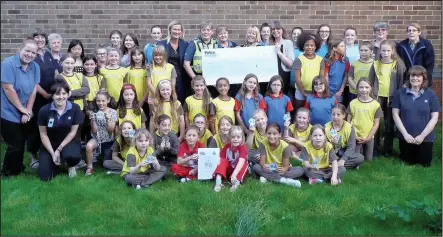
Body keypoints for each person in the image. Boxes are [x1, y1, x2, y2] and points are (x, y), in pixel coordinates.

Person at [1, 39, 40, 177]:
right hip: (8, 112)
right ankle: (7, 172)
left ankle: (18, 167)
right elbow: (8, 88)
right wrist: (21, 109)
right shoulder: (8, 64)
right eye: (27, 51)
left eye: (33, 52)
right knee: (14, 143)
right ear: (20, 49)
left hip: (24, 111)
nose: (29, 54)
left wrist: (28, 110)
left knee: (22, 141)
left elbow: (34, 90)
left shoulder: (35, 67)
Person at [392, 65, 440, 167]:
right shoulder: (400, 93)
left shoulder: (431, 95)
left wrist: (422, 136)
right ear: (409, 77)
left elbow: (435, 118)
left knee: (425, 164)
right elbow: (395, 114)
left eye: (418, 76)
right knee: (407, 162)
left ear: (423, 78)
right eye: (412, 76)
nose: (415, 78)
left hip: (425, 138)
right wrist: (405, 134)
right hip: (406, 137)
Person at [27, 28, 62, 169]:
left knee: (49, 125)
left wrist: (56, 92)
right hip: (36, 98)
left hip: (50, 97)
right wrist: (45, 94)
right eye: (37, 37)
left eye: (42, 37)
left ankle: (47, 152)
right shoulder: (30, 56)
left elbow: (55, 73)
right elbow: (32, 81)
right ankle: (32, 156)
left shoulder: (47, 54)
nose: (40, 40)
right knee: (35, 126)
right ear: (32, 40)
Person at [37, 79, 84, 181]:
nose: (61, 97)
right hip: (50, 143)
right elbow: (43, 135)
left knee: (73, 157)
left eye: (64, 93)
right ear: (52, 95)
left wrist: (59, 149)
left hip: (69, 142)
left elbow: (73, 132)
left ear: (68, 94)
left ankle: (70, 165)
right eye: (57, 94)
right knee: (46, 177)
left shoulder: (75, 108)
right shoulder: (44, 110)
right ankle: (55, 161)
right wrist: (53, 153)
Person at [368, 40, 406, 157]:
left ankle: (387, 149)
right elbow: (370, 81)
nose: (385, 53)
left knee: (389, 124)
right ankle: (375, 148)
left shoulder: (398, 64)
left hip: (392, 97)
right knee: (376, 123)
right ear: (380, 51)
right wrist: (371, 96)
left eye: (388, 50)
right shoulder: (375, 64)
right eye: (383, 50)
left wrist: (399, 97)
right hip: (377, 97)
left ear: (392, 51)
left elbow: (401, 81)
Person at [252, 123, 303, 187]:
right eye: (269, 133)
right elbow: (262, 162)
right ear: (266, 134)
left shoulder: (285, 147)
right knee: (256, 167)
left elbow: (286, 166)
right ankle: (283, 180)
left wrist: (284, 169)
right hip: (268, 169)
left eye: (274, 134)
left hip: (279, 169)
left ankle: (267, 178)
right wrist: (264, 165)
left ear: (279, 135)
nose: (271, 136)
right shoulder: (263, 144)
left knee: (300, 170)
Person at [347, 78, 383, 161]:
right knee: (356, 160)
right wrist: (354, 136)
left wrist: (369, 137)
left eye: (367, 87)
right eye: (361, 87)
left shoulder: (375, 104)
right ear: (357, 89)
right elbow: (348, 121)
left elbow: (376, 123)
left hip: (369, 136)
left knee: (368, 160)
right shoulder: (352, 103)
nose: (364, 90)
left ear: (371, 88)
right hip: (355, 136)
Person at [84, 90, 118, 175]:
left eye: (103, 101)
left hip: (108, 139)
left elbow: (110, 131)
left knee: (105, 163)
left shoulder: (113, 112)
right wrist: (93, 120)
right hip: (97, 137)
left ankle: (99, 156)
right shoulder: (94, 111)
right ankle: (90, 167)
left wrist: (108, 119)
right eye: (98, 101)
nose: (101, 103)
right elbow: (94, 131)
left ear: (108, 100)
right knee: (89, 145)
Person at [158, 20, 190, 103]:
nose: (177, 32)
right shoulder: (161, 44)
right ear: (170, 30)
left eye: (179, 30)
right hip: (166, 77)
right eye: (174, 29)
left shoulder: (185, 44)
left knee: (180, 102)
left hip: (181, 79)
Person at [325, 104, 364, 169]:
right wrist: (331, 142)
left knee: (360, 158)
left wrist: (343, 160)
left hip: (343, 153)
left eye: (338, 114)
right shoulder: (326, 127)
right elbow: (323, 146)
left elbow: (351, 146)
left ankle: (334, 164)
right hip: (331, 153)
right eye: (333, 114)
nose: (335, 117)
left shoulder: (350, 128)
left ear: (344, 115)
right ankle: (335, 164)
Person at [396, 22, 435, 88]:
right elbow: (400, 65)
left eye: (414, 30)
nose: (411, 32)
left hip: (423, 78)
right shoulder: (402, 45)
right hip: (408, 80)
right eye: (409, 31)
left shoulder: (426, 45)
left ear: (419, 32)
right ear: (407, 33)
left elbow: (430, 65)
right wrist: (405, 81)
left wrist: (425, 80)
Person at [292, 33, 324, 112]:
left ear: (315, 47)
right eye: (307, 45)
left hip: (315, 90)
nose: (309, 47)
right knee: (299, 110)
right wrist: (303, 93)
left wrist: (317, 90)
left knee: (313, 110)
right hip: (301, 91)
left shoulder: (320, 59)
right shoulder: (299, 59)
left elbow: (321, 78)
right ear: (303, 46)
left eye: (312, 45)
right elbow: (297, 78)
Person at [213, 126, 249, 192]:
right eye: (233, 137)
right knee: (222, 161)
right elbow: (220, 158)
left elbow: (241, 161)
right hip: (230, 169)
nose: (235, 139)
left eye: (238, 137)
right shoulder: (227, 146)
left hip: (238, 169)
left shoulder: (242, 147)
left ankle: (236, 183)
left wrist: (234, 174)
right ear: (230, 138)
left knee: (243, 163)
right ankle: (218, 183)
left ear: (242, 138)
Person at [146, 45, 177, 112]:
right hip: (154, 97)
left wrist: (164, 95)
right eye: (156, 55)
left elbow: (173, 83)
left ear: (164, 55)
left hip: (167, 97)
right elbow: (148, 83)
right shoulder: (150, 68)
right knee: (154, 118)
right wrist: (158, 95)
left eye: (160, 55)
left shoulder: (171, 67)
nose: (158, 57)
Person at [124, 47, 149, 127]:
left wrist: (142, 101)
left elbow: (148, 87)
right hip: (131, 100)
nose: (137, 57)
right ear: (131, 57)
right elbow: (125, 86)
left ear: (143, 56)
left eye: (139, 54)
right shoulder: (127, 70)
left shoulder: (147, 70)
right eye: (134, 55)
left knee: (144, 122)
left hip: (144, 101)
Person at [270, 20, 295, 95]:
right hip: (270, 75)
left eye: (278, 29)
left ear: (282, 30)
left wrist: (279, 53)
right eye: (273, 29)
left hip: (283, 75)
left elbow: (291, 64)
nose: (275, 31)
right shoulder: (268, 44)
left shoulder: (288, 43)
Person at [323, 39, 350, 103]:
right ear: (335, 48)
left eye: (344, 46)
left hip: (339, 91)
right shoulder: (326, 60)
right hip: (327, 90)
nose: (344, 48)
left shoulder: (345, 60)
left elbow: (346, 75)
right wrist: (328, 91)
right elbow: (325, 76)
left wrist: (341, 90)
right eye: (342, 46)